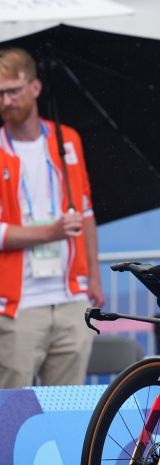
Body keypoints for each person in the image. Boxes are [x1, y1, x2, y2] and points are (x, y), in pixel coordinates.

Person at [0, 47, 103, 389]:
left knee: (66, 409)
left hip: (72, 296)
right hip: (17, 304)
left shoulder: (67, 139)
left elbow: (86, 213)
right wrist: (50, 233)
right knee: (11, 416)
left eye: (13, 90)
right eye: (0, 94)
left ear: (35, 87)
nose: (6, 100)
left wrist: (95, 277)